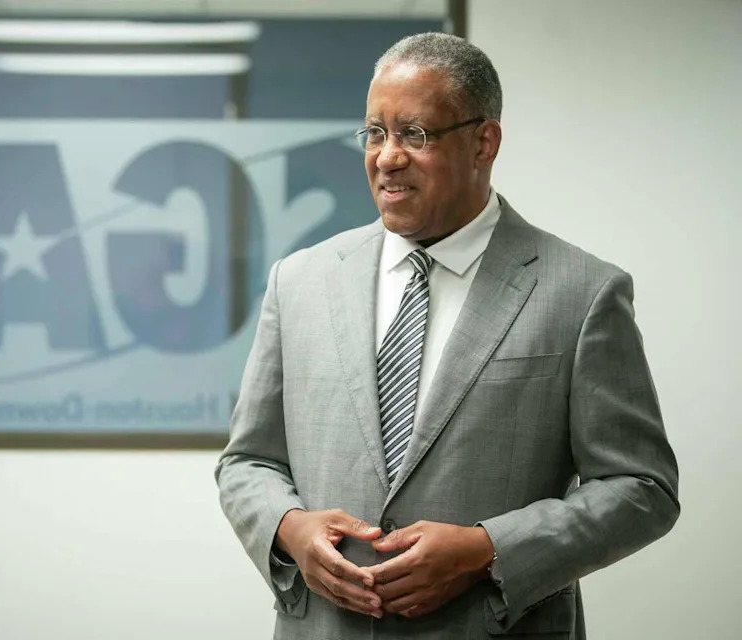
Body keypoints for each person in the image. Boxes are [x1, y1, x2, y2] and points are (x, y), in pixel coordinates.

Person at [215, 32, 679, 640]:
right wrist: (288, 527)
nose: (386, 157)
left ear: (484, 142)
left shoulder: (584, 293)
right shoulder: (299, 281)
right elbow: (247, 461)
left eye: (415, 134)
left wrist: (488, 549)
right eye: (374, 133)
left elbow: (643, 489)